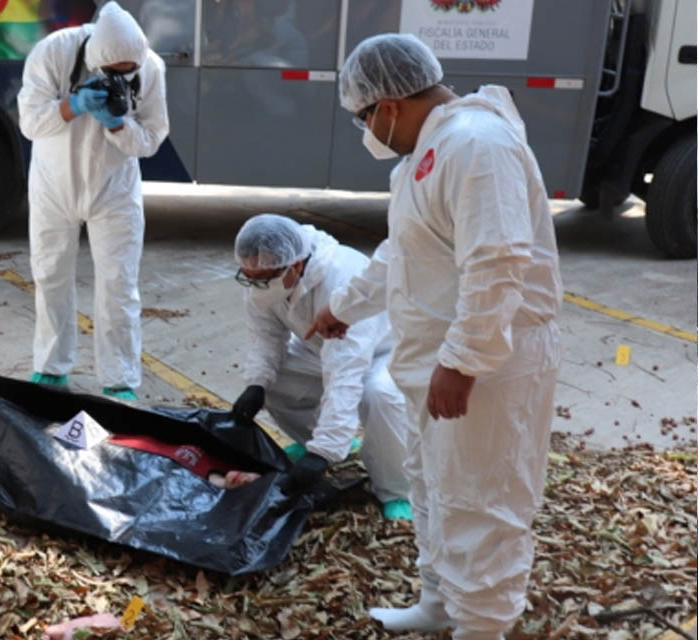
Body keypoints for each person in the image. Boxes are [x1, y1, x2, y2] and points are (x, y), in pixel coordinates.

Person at [308, 34, 562, 640]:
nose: (366, 129)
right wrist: (344, 305)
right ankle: (440, 602)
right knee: (435, 486)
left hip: (489, 366)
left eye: (364, 116)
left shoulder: (477, 144)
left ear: (390, 104)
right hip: (439, 360)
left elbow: (499, 260)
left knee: (483, 503)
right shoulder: (430, 154)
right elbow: (406, 250)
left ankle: (481, 627)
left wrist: (464, 359)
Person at [17, 1, 169, 401]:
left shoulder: (150, 66)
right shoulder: (54, 51)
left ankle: (119, 377)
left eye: (128, 73)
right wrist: (74, 106)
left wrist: (119, 124)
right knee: (50, 275)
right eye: (114, 73)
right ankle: (50, 367)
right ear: (96, 59)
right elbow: (30, 123)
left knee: (120, 284)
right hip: (55, 186)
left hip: (114, 190)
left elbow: (152, 138)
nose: (122, 79)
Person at [230, 214, 411, 519]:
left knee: (377, 394)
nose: (256, 287)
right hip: (321, 347)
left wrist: (324, 453)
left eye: (263, 279)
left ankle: (397, 489)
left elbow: (345, 371)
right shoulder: (265, 272)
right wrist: (256, 384)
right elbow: (266, 337)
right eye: (250, 278)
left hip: (385, 350)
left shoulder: (341, 278)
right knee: (274, 377)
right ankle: (312, 438)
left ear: (296, 266)